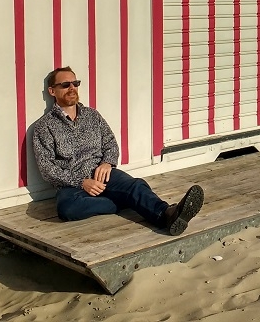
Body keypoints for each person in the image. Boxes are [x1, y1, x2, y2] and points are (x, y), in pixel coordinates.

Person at [30, 66, 204, 235]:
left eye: (75, 83)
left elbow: (110, 143)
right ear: (52, 91)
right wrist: (81, 182)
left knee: (135, 185)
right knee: (66, 209)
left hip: (102, 175)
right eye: (66, 85)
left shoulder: (92, 115)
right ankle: (120, 202)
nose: (72, 88)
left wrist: (107, 163)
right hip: (72, 185)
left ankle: (168, 214)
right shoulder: (44, 127)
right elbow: (47, 168)